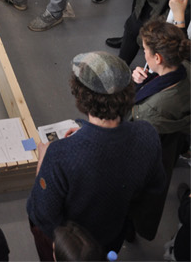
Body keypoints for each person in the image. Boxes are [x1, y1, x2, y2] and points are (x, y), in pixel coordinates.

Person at [25, 49, 169, 259]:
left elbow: (42, 214)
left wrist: (42, 165)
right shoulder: (147, 134)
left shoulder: (59, 155)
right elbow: (153, 189)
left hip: (73, 250)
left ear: (81, 97)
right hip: (112, 236)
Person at [128, 18, 190, 170]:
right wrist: (144, 80)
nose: (144, 55)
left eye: (144, 50)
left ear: (157, 58)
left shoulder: (149, 111)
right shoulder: (185, 65)